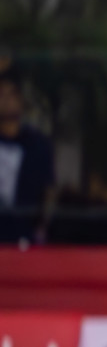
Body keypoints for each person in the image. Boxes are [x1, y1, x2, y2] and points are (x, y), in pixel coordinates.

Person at [0, 71, 56, 246]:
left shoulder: (38, 144)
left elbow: (49, 190)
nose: (7, 100)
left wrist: (42, 228)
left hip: (23, 236)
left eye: (13, 94)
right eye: (1, 94)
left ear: (21, 100)